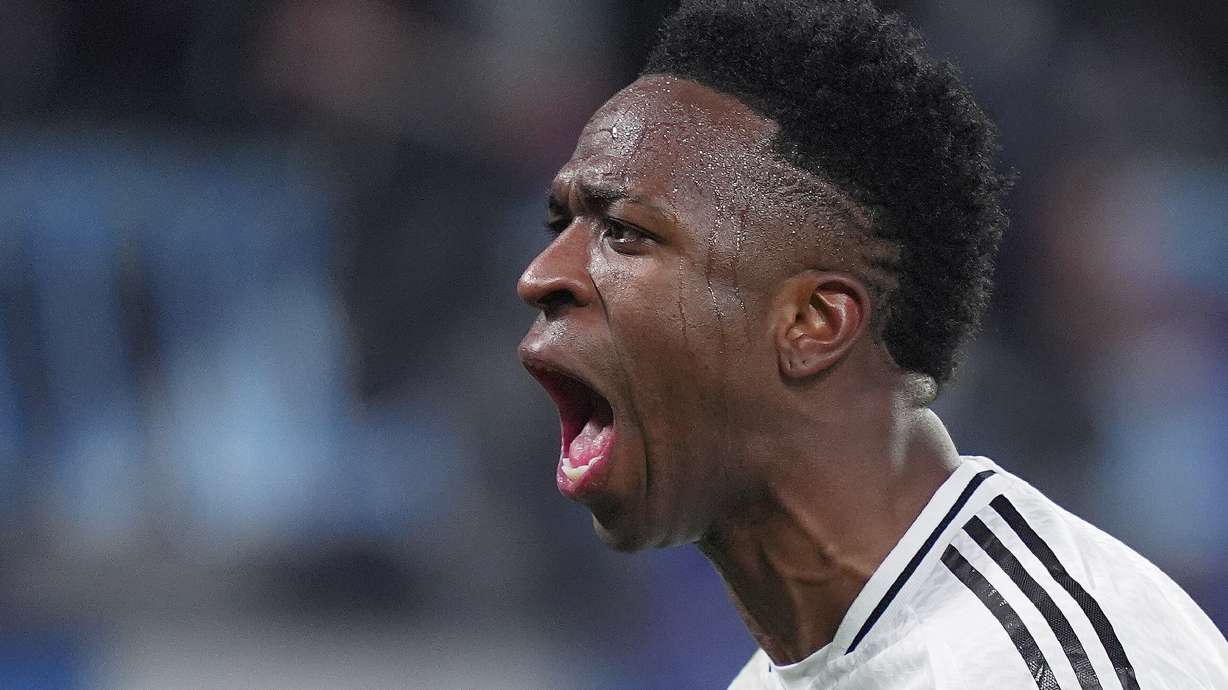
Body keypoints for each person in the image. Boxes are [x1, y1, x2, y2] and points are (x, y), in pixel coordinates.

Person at [515, 0, 1228, 687]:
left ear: (812, 324)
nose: (542, 276)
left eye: (625, 233)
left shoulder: (1042, 668)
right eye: (562, 227)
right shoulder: (802, 663)